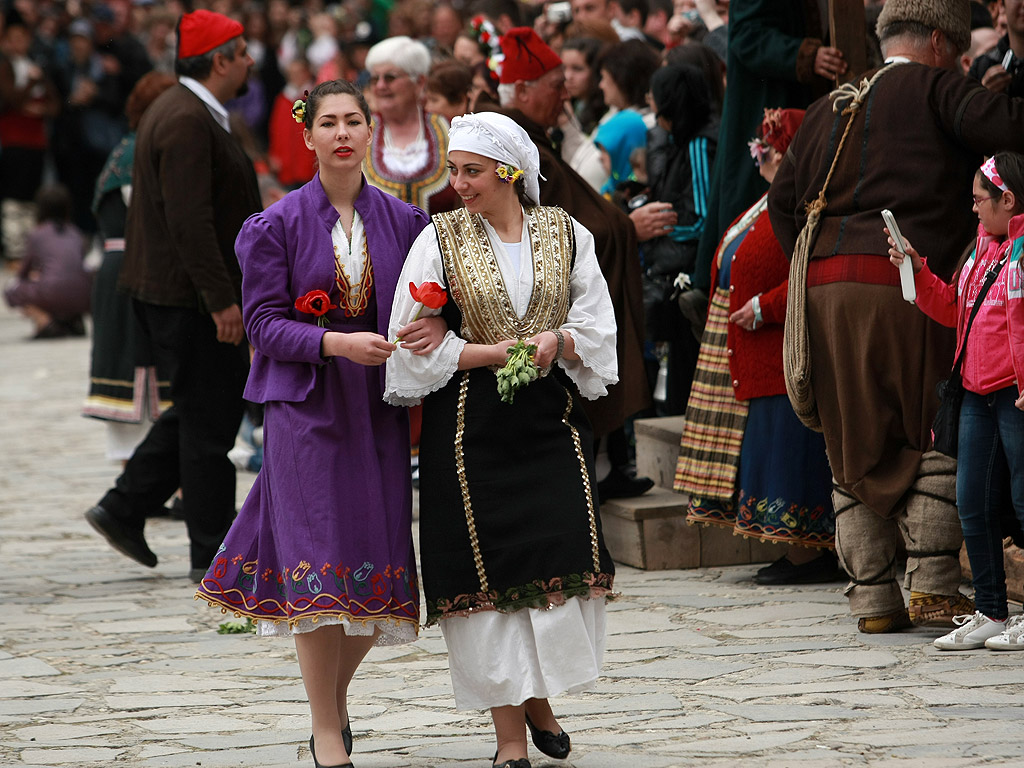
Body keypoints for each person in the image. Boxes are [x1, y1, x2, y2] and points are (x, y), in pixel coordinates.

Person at [197, 80, 438, 768]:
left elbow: (429, 305)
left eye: (353, 121)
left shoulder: (406, 224)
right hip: (306, 410)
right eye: (327, 122)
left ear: (371, 132)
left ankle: (330, 706)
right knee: (317, 569)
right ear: (307, 137)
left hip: (380, 410)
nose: (341, 133)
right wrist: (335, 342)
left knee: (379, 575)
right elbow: (265, 326)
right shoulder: (273, 227)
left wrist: (426, 330)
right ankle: (325, 729)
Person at [767, 0, 1024, 633]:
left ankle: (874, 600)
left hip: (825, 292)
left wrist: (824, 257)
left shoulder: (831, 105)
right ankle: (934, 587)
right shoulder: (939, 87)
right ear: (940, 43)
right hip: (908, 286)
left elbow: (781, 204)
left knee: (850, 439)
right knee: (926, 428)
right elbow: (1013, 133)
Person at [385, 110, 618, 768]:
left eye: (472, 171)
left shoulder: (565, 233)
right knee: (486, 585)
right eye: (453, 169)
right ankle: (510, 738)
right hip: (469, 430)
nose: (457, 183)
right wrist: (483, 352)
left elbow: (596, 326)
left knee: (552, 562)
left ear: (511, 174)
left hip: (548, 422)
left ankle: (537, 700)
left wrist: (558, 339)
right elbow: (411, 343)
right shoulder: (439, 241)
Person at [83, 10, 261, 582]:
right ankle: (214, 555)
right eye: (242, 52)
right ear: (220, 61)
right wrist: (220, 300)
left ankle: (125, 507)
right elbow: (190, 220)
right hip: (187, 299)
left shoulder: (189, 110)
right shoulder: (186, 117)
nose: (251, 61)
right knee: (210, 425)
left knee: (197, 410)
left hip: (178, 294)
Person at [486, 27, 652, 500]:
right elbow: (550, 225)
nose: (565, 95)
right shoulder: (515, 144)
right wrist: (627, 228)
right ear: (520, 91)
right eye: (554, 85)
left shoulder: (535, 135)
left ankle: (607, 465)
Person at [675, 108, 839, 584]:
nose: (761, 155)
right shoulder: (767, 203)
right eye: (761, 147)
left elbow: (812, 274)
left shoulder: (805, 210)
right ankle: (795, 549)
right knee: (770, 455)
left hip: (781, 352)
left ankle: (809, 551)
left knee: (788, 454)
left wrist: (766, 307)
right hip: (750, 354)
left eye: (771, 147)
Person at [888, 153, 1024, 651]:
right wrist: (917, 268)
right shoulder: (979, 250)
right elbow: (951, 307)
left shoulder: (1022, 247)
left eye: (979, 200)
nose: (973, 210)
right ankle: (990, 610)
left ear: (1008, 200)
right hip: (974, 392)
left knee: (1023, 499)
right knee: (972, 502)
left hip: (1016, 393)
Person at [690, 1, 845, 310]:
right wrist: (803, 55)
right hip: (768, 101)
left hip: (810, 103)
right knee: (760, 205)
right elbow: (745, 36)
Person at [82, 71, 176, 462]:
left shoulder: (125, 148)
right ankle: (139, 481)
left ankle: (142, 482)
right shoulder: (143, 151)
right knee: (137, 364)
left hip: (121, 266)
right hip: (135, 269)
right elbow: (157, 217)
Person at [638, 63, 718, 414]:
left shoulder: (700, 144)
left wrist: (661, 228)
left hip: (690, 274)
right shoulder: (684, 141)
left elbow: (703, 218)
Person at [362, 36, 460, 215]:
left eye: (390, 77)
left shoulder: (451, 129)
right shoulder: (358, 132)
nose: (381, 86)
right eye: (375, 79)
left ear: (420, 82)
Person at [3, 183, 91, 339]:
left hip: (51, 291)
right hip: (83, 294)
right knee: (63, 282)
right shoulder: (76, 232)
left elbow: (23, 273)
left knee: (13, 289)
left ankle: (46, 322)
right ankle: (72, 319)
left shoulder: (37, 234)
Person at [593, 39, 659, 196]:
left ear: (622, 79)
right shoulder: (614, 116)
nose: (601, 85)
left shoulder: (644, 125)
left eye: (604, 77)